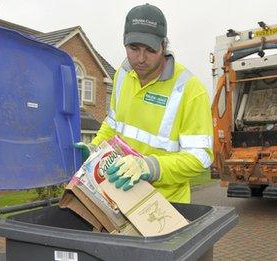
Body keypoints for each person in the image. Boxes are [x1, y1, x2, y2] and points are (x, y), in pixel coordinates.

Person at [77, 3, 213, 204]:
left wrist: (149, 167)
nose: (140, 58)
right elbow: (113, 125)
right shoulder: (122, 75)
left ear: (163, 46)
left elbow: (200, 158)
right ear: (124, 43)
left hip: (165, 205)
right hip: (119, 196)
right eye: (133, 48)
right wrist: (94, 150)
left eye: (149, 49)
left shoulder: (190, 89)